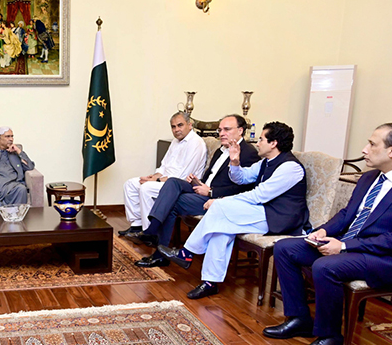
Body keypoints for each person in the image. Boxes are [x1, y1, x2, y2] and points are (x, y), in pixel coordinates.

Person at [266, 123, 392, 345]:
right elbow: (347, 214)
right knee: (285, 247)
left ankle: (330, 337)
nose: (364, 149)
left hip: (391, 258)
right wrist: (323, 231)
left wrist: (343, 246)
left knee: (326, 266)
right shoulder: (369, 178)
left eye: (372, 144)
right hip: (354, 246)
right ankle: (299, 318)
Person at [159, 122, 310, 300]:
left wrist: (220, 200)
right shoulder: (266, 163)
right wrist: (235, 161)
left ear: (273, 143)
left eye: (261, 139)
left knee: (221, 209)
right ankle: (210, 282)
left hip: (281, 218)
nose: (257, 142)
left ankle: (187, 253)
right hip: (262, 212)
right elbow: (242, 178)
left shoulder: (289, 168)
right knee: (221, 228)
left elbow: (258, 196)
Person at [134, 115, 259, 267]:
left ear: (240, 131)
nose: (221, 133)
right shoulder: (221, 150)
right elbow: (211, 175)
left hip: (219, 199)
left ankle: (158, 248)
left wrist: (211, 192)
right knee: (173, 182)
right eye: (220, 130)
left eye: (227, 129)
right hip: (204, 189)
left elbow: (244, 187)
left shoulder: (248, 152)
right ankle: (152, 231)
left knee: (173, 202)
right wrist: (198, 182)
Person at [119, 112, 207, 236]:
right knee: (131, 184)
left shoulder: (196, 143)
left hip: (178, 186)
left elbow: (182, 176)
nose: (176, 130)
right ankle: (136, 226)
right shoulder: (176, 142)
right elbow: (164, 165)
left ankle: (149, 233)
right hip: (164, 181)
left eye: (180, 125)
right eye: (173, 127)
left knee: (146, 188)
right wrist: (154, 176)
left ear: (190, 125)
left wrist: (156, 181)